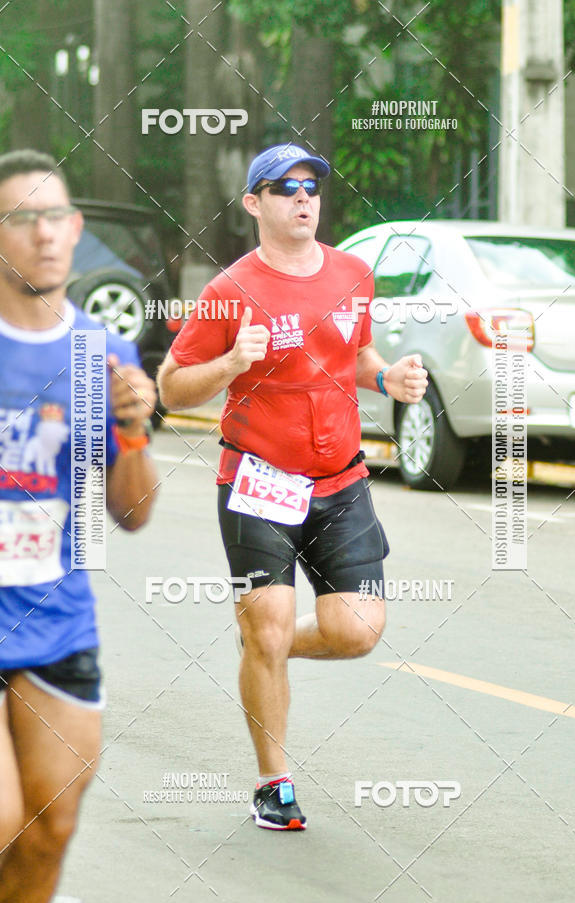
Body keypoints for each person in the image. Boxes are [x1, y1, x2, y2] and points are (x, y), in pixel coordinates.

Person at [158, 143, 428, 831]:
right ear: (254, 203)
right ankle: (273, 782)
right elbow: (171, 385)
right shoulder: (230, 291)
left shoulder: (352, 274)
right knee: (269, 622)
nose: (303, 198)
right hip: (257, 480)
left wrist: (387, 376)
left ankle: (266, 646)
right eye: (284, 188)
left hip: (340, 480)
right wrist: (229, 363)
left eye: (311, 186)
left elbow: (357, 352)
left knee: (358, 629)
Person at [0, 150, 159, 902]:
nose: (43, 234)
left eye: (55, 217)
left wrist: (132, 432)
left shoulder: (103, 353)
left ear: (77, 228)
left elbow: (129, 513)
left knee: (49, 827)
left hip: (56, 620)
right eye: (22, 219)